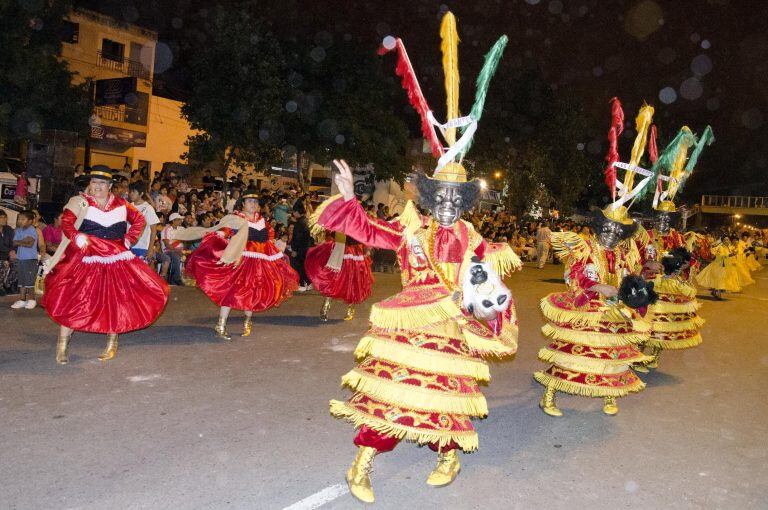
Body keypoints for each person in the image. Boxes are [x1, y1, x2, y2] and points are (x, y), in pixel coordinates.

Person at [315, 17, 517, 502]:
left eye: (456, 196)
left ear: (465, 201)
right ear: (428, 196)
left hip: (451, 332)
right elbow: (368, 230)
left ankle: (449, 455)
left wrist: (490, 314)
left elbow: (492, 295)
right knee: (390, 395)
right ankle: (361, 464)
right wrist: (347, 199)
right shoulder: (411, 230)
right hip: (406, 326)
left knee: (445, 397)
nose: (446, 204)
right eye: (439, 194)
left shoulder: (477, 242)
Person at [42, 166, 169, 363]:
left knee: (115, 299)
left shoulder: (122, 205)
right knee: (74, 298)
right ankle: (62, 344)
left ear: (110, 186)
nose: (97, 186)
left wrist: (128, 240)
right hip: (87, 256)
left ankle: (112, 342)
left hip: (116, 257)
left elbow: (139, 221)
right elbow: (67, 223)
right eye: (94, 182)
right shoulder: (81, 202)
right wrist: (77, 237)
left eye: (102, 183)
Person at [181, 187, 298, 340]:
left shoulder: (263, 220)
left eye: (255, 202)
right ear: (242, 204)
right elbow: (225, 232)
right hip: (240, 260)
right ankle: (220, 325)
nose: (253, 204)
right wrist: (219, 235)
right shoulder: (236, 218)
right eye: (250, 201)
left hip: (260, 262)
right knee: (231, 291)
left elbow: (269, 237)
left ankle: (247, 322)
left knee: (253, 291)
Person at [305, 226, 374, 321]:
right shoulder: (340, 218)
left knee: (353, 281)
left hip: (355, 253)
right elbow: (331, 231)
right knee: (333, 280)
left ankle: (350, 310)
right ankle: (325, 308)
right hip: (340, 249)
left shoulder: (358, 218)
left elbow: (365, 233)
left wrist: (367, 248)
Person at [11, 211, 39, 309]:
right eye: (19, 219)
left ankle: (32, 299)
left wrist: (20, 242)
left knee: (29, 280)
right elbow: (14, 243)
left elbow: (30, 244)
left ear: (30, 221)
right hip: (21, 258)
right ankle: (22, 299)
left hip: (30, 259)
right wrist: (23, 241)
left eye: (23, 219)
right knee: (22, 280)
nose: (20, 221)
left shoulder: (32, 230)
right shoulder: (18, 230)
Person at [289, 203, 313, 291]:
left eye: (293, 212)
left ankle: (302, 284)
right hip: (306, 247)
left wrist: (295, 250)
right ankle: (308, 283)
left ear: (296, 212)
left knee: (299, 266)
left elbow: (298, 238)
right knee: (303, 266)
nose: (293, 214)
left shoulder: (299, 223)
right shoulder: (305, 221)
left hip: (300, 249)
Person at [162, 213, 185, 285]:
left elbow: (186, 240)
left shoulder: (182, 229)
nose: (181, 221)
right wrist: (178, 251)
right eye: (179, 219)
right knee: (176, 257)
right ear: (173, 220)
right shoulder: (166, 229)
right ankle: (175, 279)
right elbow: (167, 245)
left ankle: (185, 278)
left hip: (181, 250)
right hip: (169, 250)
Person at [0, 210, 14, 295]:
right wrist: (7, 256)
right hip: (1, 256)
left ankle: (8, 285)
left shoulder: (8, 229)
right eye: (1, 217)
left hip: (9, 255)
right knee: (3, 263)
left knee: (19, 262)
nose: (4, 219)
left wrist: (13, 251)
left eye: (5, 217)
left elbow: (14, 242)